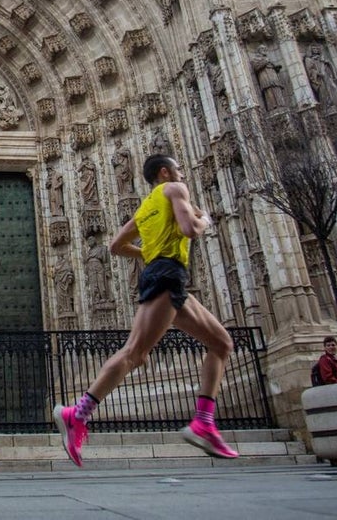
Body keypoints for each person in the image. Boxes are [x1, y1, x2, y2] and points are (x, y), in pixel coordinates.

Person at [53, 154, 239, 467]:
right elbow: (189, 229)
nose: (181, 174)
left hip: (165, 274)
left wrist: (148, 252)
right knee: (135, 353)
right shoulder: (175, 189)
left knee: (221, 343)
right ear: (165, 172)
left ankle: (204, 422)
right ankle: (77, 414)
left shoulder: (145, 206)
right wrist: (204, 220)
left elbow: (115, 246)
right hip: (167, 274)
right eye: (177, 169)